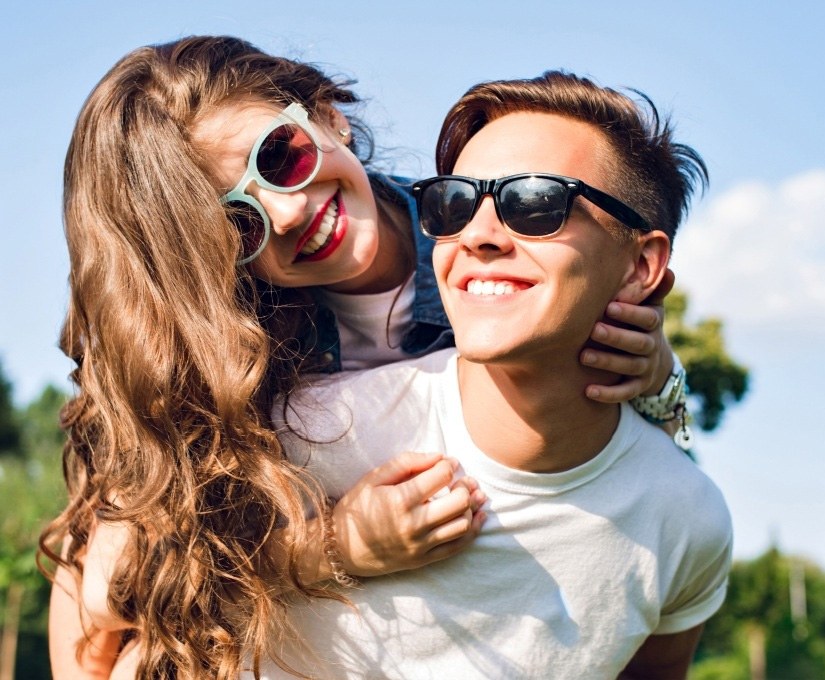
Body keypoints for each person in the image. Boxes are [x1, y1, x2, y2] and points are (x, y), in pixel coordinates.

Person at [41, 37, 683, 678]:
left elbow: (631, 473)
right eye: (237, 223)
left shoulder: (498, 239)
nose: (287, 213)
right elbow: (97, 600)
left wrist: (659, 379)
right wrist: (332, 546)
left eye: (279, 159)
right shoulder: (222, 353)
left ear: (328, 116)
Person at [254, 71, 733, 679]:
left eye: (536, 202)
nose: (477, 235)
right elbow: (132, 585)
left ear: (642, 266)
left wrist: (665, 383)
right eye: (454, 204)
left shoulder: (688, 520)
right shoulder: (307, 435)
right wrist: (328, 546)